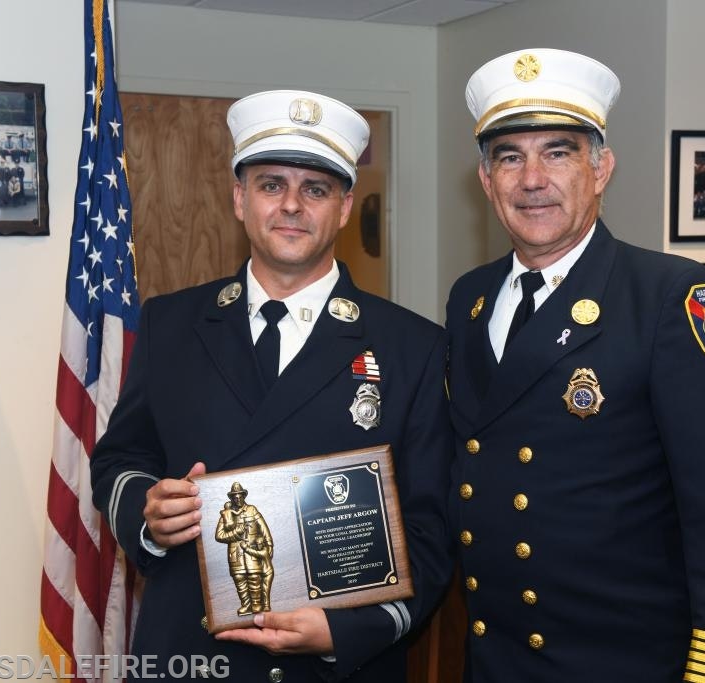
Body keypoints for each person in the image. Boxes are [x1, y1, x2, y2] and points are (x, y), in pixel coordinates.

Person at [91, 89, 453, 682]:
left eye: (315, 189)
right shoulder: (172, 324)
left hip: (336, 666)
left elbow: (431, 528)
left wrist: (345, 631)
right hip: (190, 652)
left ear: (343, 207)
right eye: (270, 185)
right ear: (239, 199)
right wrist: (147, 513)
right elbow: (120, 459)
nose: (291, 205)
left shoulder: (412, 347)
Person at [445, 48, 705, 681]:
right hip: (496, 659)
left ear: (602, 169)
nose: (532, 179)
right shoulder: (470, 299)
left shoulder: (670, 297)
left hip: (622, 661)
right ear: (486, 182)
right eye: (510, 157)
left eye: (559, 152)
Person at [216, 482, 274, 617]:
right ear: (231, 498)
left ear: (243, 496)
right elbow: (219, 536)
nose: (237, 499)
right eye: (234, 497)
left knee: (254, 577)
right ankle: (246, 604)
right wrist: (236, 533)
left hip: (252, 551)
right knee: (239, 578)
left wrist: (269, 543)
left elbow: (263, 528)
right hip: (235, 553)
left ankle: (256, 604)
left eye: (239, 496)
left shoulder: (252, 510)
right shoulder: (226, 514)